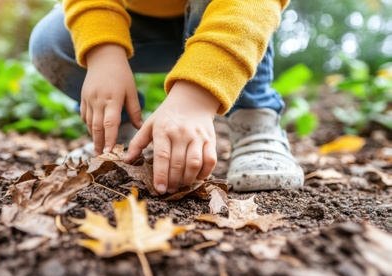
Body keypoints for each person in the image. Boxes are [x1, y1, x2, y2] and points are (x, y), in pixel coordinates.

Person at [29, 0, 304, 194]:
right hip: (139, 22)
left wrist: (196, 97)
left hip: (228, 15)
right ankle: (115, 140)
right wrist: (103, 51)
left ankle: (255, 125)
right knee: (50, 41)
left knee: (244, 16)